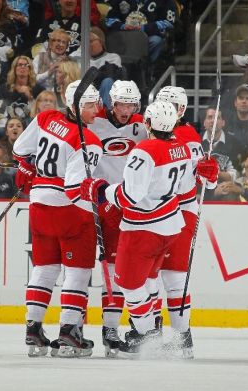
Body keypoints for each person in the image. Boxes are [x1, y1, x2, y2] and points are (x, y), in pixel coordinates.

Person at [80, 101, 196, 358]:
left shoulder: (144, 151)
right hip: (171, 225)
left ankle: (146, 337)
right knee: (149, 279)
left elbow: (129, 197)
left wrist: (100, 190)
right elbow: (185, 187)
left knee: (129, 284)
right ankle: (161, 333)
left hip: (143, 228)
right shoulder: (182, 149)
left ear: (149, 124)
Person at [13, 79, 103, 358]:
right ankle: (68, 333)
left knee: (45, 268)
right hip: (70, 211)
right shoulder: (88, 141)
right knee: (77, 272)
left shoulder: (45, 117)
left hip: (39, 205)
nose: (97, 110)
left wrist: (29, 167)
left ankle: (33, 330)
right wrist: (98, 192)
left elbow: (19, 151)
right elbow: (75, 190)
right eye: (90, 105)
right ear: (75, 106)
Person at [154, 86, 218, 358]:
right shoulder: (151, 133)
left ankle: (182, 337)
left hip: (180, 210)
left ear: (181, 110)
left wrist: (208, 173)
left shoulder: (188, 135)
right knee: (150, 275)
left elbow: (206, 180)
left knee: (174, 275)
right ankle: (151, 332)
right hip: (153, 211)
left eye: (173, 105)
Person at [87, 79, 146, 357]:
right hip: (99, 203)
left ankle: (126, 325)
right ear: (111, 102)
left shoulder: (142, 125)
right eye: (123, 103)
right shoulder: (93, 121)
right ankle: (98, 327)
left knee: (125, 267)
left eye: (131, 104)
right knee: (100, 268)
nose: (127, 109)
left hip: (131, 205)